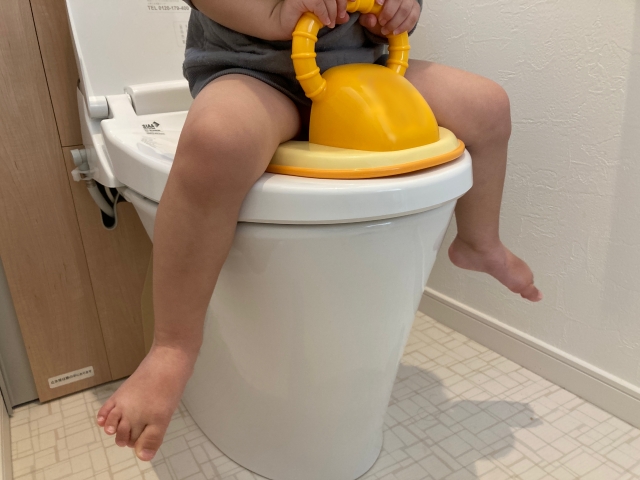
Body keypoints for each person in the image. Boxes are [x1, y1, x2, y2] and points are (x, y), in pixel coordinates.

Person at [96, 0, 542, 462]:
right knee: (217, 141)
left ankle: (479, 241)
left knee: (488, 105)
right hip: (256, 77)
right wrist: (277, 13)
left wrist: (400, 11)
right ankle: (173, 346)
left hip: (360, 76)